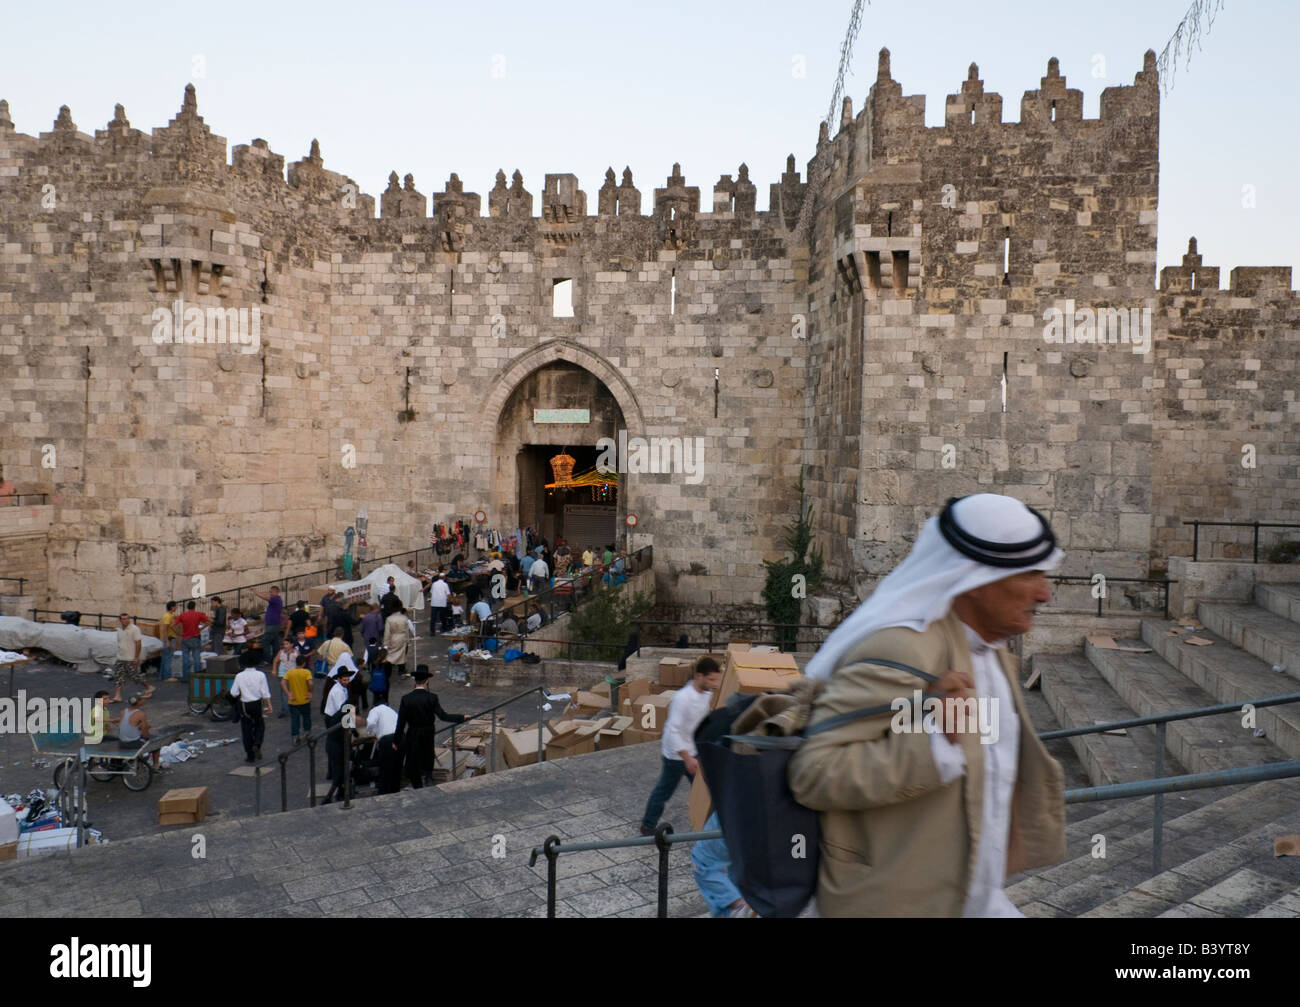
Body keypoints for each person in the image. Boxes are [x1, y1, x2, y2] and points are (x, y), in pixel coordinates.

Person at [788, 493, 1068, 918]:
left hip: (969, 898)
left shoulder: (990, 652)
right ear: (976, 579)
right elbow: (815, 773)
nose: (1044, 594)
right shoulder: (904, 650)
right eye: (1029, 575)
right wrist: (936, 738)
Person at [640, 657, 721, 835]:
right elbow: (673, 730)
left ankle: (712, 822)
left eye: (716, 679)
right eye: (712, 679)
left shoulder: (707, 694)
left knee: (706, 788)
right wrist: (687, 759)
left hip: (693, 751)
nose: (715, 684)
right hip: (676, 754)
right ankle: (647, 826)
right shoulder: (682, 698)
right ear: (699, 676)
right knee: (664, 791)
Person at [393, 667, 466, 789]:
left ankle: (416, 782)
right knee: (427, 754)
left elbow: (401, 722)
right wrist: (462, 717)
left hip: (413, 731)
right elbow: (443, 716)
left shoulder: (406, 699)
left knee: (413, 755)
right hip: (427, 731)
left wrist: (396, 740)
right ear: (427, 681)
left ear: (414, 681)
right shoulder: (432, 698)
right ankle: (428, 776)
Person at [321, 666, 355, 804]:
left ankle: (336, 778)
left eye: (347, 679)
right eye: (344, 679)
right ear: (339, 679)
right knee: (338, 750)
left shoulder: (343, 689)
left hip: (337, 717)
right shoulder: (338, 692)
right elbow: (343, 711)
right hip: (333, 719)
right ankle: (338, 784)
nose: (346, 681)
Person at [229, 655, 273, 763]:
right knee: (259, 725)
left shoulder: (239, 676)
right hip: (257, 704)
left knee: (246, 730)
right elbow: (265, 692)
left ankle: (250, 755)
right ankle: (257, 744)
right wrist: (269, 705)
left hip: (245, 705)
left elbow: (233, 693)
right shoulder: (260, 675)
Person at [111, 613, 151, 703]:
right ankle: (117, 696)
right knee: (118, 677)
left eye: (127, 619)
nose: (126, 620)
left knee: (135, 676)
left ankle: (148, 687)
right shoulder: (119, 630)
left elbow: (138, 643)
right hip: (121, 657)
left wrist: (136, 657)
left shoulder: (135, 629)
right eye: (123, 619)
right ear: (120, 620)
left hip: (130, 658)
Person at [366, 701, 402, 794]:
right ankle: (395, 790)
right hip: (401, 738)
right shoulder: (391, 710)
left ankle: (385, 791)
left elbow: (370, 723)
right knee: (397, 766)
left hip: (388, 740)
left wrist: (372, 733)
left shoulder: (375, 710)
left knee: (386, 767)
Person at [282, 655, 314, 745]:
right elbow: (310, 683)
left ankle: (295, 737)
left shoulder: (290, 672)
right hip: (304, 700)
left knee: (295, 720)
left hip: (293, 701)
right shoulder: (306, 672)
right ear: (304, 663)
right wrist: (310, 691)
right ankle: (307, 733)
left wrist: (288, 694)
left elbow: (283, 683)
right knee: (306, 717)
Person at [175, 600, 209, 683]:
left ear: (187, 607)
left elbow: (173, 625)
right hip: (195, 638)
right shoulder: (198, 614)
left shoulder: (182, 615)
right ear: (194, 606)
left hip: (185, 638)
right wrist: (201, 628)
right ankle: (198, 677)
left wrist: (179, 633)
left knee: (185, 658)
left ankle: (185, 678)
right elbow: (209, 621)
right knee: (197, 658)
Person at [251, 586, 284, 662]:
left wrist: (256, 592)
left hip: (272, 625)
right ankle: (275, 658)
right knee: (275, 642)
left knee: (265, 642)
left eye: (271, 592)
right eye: (270, 592)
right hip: (272, 624)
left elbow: (265, 598)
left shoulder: (276, 599)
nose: (270, 593)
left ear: (276, 592)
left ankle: (267, 660)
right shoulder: (276, 599)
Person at [382, 600, 412, 681]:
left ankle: (388, 673)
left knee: (390, 655)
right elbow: (407, 630)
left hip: (393, 637)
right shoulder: (404, 618)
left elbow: (387, 632)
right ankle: (402, 671)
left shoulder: (389, 619)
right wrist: (407, 641)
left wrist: (386, 643)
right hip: (402, 638)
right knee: (402, 655)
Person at [273, 637, 297, 718]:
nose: (285, 646)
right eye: (284, 644)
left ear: (291, 644)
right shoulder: (281, 652)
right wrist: (274, 670)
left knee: (293, 690)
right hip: (282, 674)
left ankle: (293, 708)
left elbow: (300, 662)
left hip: (293, 674)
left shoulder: (296, 652)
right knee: (283, 692)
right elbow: (275, 661)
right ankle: (284, 710)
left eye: (287, 644)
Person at [157, 601, 179, 681]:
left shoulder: (169, 615)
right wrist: (167, 641)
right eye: (176, 606)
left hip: (168, 638)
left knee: (165, 657)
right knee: (168, 658)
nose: (176, 608)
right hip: (169, 638)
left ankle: (162, 675)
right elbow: (165, 629)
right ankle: (167, 676)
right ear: (172, 607)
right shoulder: (167, 616)